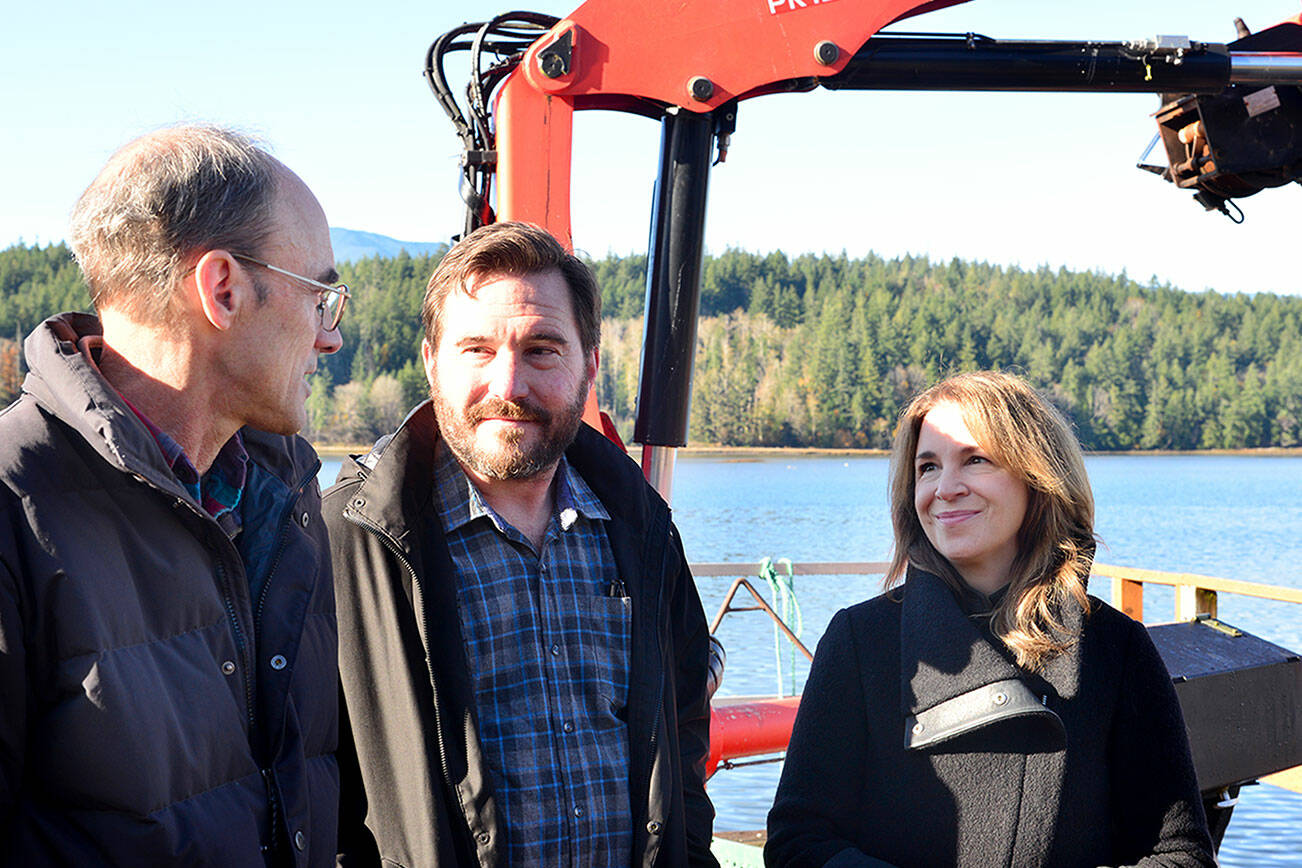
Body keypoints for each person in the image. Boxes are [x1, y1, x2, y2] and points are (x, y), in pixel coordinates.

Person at [0, 126, 346, 864]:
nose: (330, 338)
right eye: (322, 296)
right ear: (222, 288)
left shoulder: (286, 497)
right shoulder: (11, 505)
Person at [326, 221, 718, 867]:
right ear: (431, 362)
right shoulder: (351, 544)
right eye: (476, 350)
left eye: (542, 350)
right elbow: (314, 783)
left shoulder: (643, 531)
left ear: (589, 365)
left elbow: (682, 729)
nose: (509, 387)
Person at [765, 371, 1215, 867]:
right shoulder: (860, 640)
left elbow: (1181, 854)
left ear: (1037, 475)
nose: (945, 488)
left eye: (975, 460)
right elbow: (797, 842)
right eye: (928, 467)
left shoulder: (1114, 647)